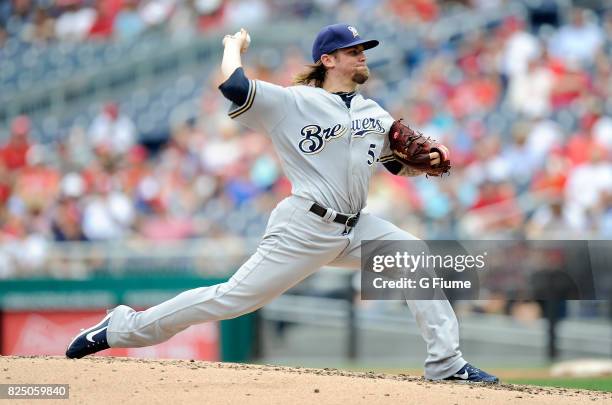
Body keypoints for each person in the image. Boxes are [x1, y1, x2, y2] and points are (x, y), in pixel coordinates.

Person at [66, 24, 498, 383]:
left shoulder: (375, 113)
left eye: (364, 49)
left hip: (355, 227)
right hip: (304, 225)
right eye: (353, 50)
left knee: (413, 254)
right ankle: (123, 325)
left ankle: (446, 365)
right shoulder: (292, 102)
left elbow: (396, 165)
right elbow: (233, 85)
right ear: (328, 60)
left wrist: (425, 163)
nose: (363, 55)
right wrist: (232, 46)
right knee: (233, 299)